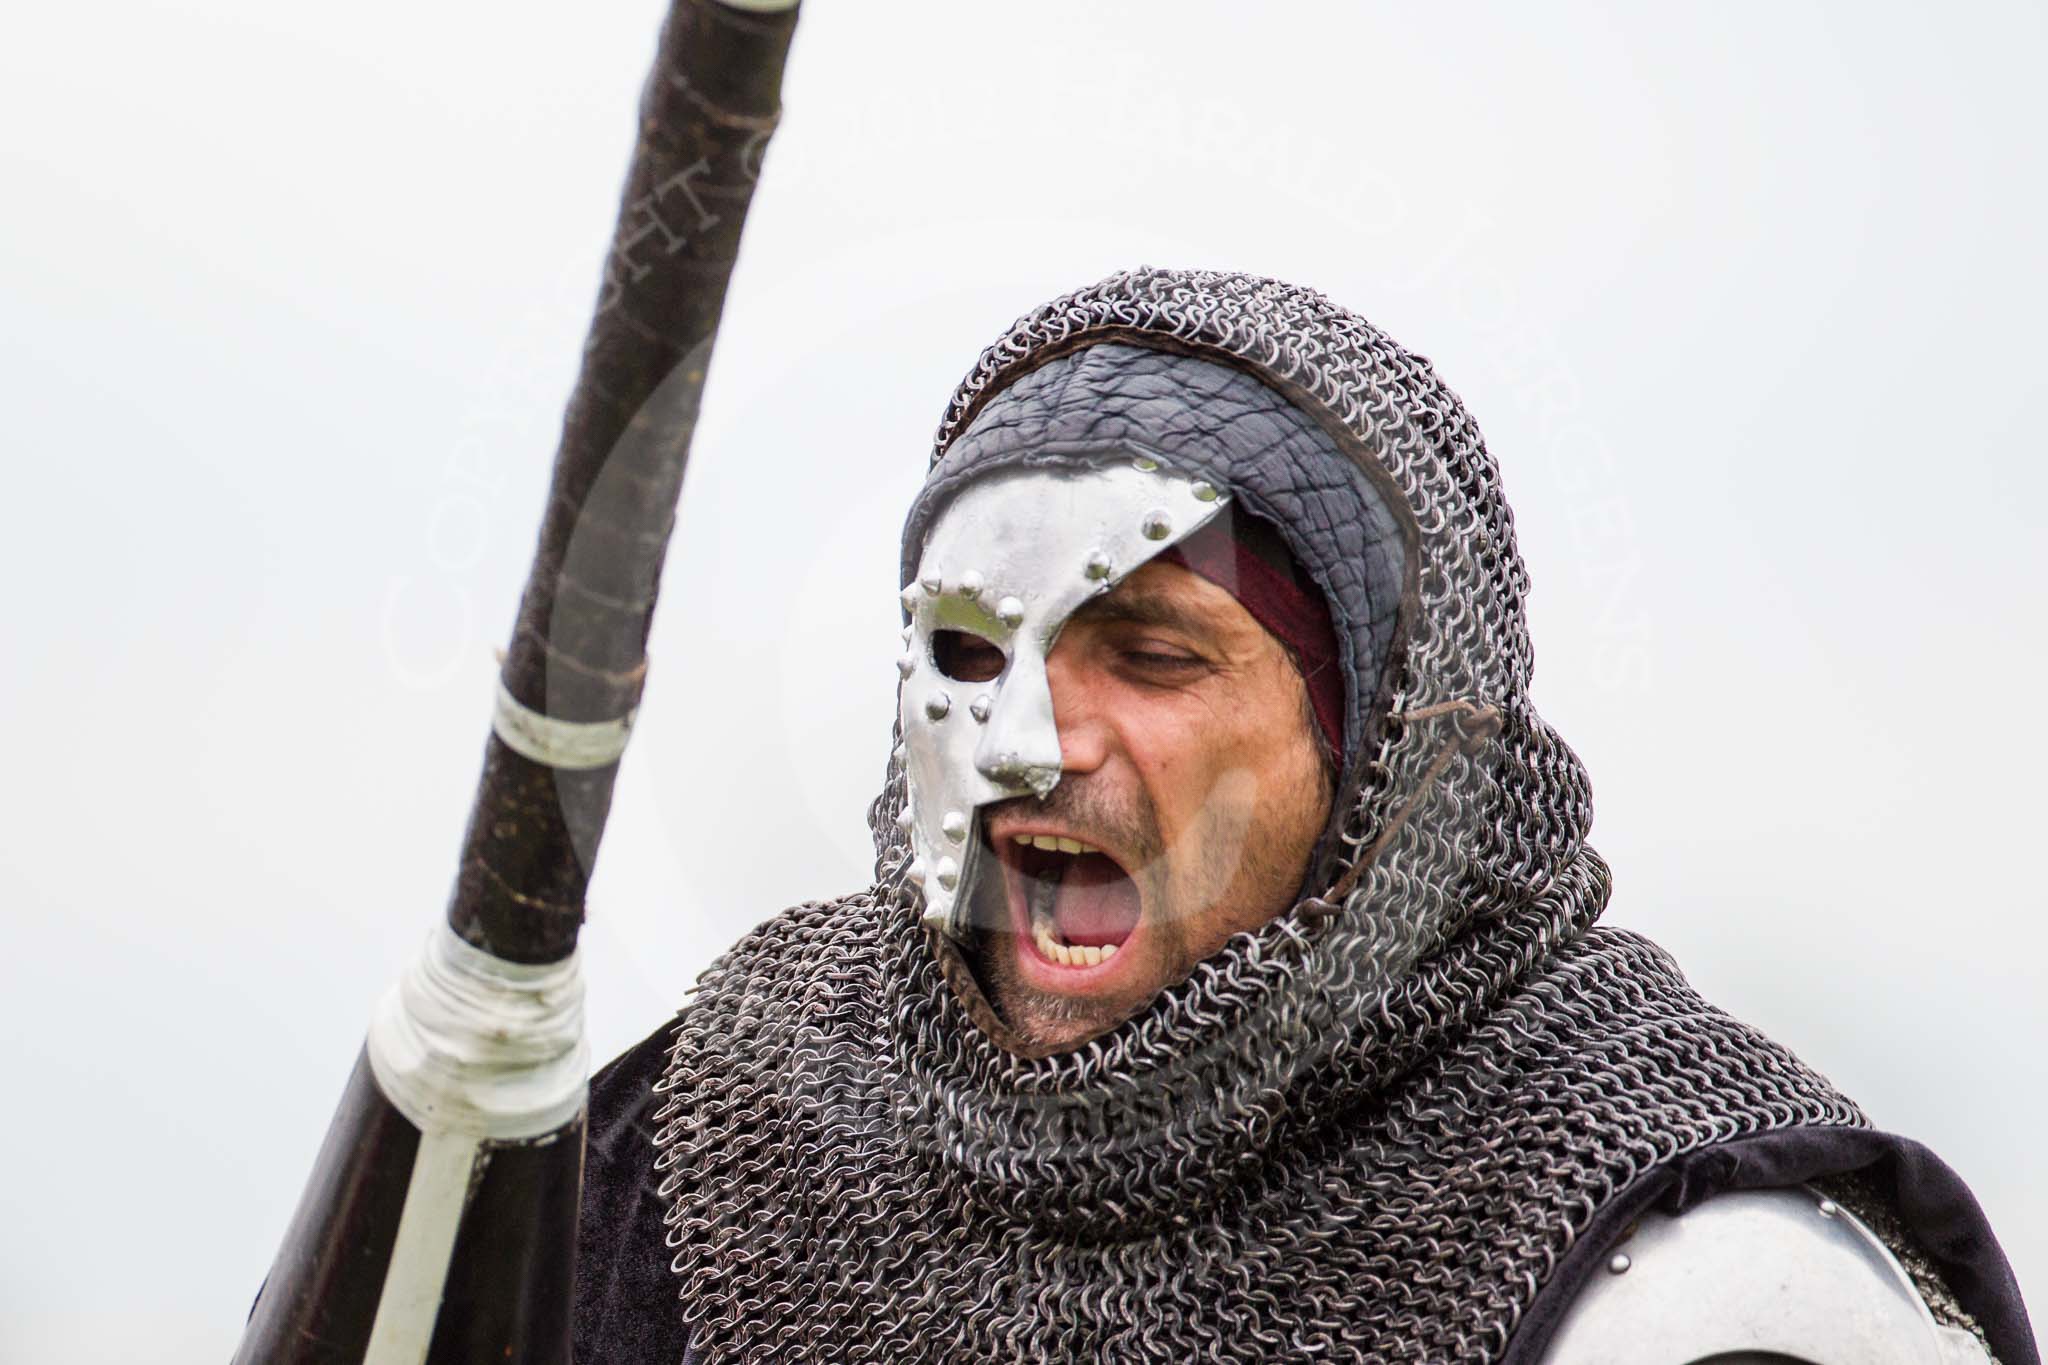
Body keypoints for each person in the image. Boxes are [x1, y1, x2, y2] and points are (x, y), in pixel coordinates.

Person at [570, 268, 2037, 1364]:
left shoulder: (1701, 1283)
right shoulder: (720, 1133)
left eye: (1151, 654)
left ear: (1386, 748)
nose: (1021, 742)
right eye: (968, 650)